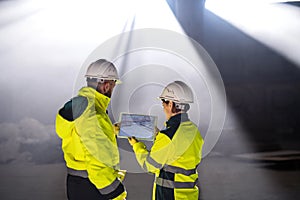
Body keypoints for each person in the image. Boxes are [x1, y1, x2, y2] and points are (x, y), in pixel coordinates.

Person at [56, 59, 127, 200]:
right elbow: (98, 163)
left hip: (76, 183)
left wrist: (110, 131)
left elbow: (82, 136)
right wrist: (116, 194)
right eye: (113, 85)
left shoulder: (80, 105)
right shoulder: (94, 114)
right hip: (94, 187)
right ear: (106, 86)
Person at [128, 80, 204, 200]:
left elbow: (150, 165)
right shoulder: (193, 130)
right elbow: (176, 152)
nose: (163, 106)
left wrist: (136, 145)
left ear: (171, 104)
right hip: (189, 195)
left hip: (170, 195)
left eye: (164, 101)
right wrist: (158, 135)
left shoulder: (168, 136)